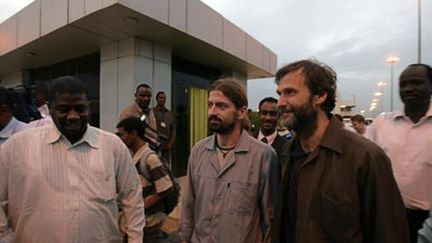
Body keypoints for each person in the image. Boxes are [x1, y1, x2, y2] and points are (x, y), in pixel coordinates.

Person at [273, 59, 409, 243]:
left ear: (320, 96)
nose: (280, 102)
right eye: (279, 93)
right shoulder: (286, 152)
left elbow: (389, 233)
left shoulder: (366, 157)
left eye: (290, 93)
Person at [0, 76, 145, 243]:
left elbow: (133, 197)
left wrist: (135, 240)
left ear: (88, 108)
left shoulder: (112, 146)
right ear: (50, 108)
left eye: (80, 108)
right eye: (64, 109)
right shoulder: (16, 147)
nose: (73, 116)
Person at [179, 79, 280, 243]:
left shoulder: (264, 156)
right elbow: (189, 205)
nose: (212, 111)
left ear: (241, 112)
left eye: (221, 106)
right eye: (210, 105)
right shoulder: (198, 151)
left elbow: (270, 218)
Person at [367, 63, 432, 243]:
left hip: (426, 221)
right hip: (385, 215)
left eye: (416, 83)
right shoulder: (381, 124)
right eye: (403, 84)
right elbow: (364, 165)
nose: (408, 89)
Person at [116, 117, 174, 242]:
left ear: (133, 134)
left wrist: (139, 207)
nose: (120, 139)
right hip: (135, 222)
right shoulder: (132, 156)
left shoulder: (150, 158)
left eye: (122, 135)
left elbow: (166, 188)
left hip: (149, 225)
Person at [153, 91, 176, 164]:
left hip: (166, 145)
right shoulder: (152, 112)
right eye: (160, 98)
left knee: (166, 165)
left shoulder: (169, 113)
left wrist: (170, 143)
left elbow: (173, 130)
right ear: (157, 99)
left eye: (164, 98)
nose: (162, 99)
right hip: (155, 145)